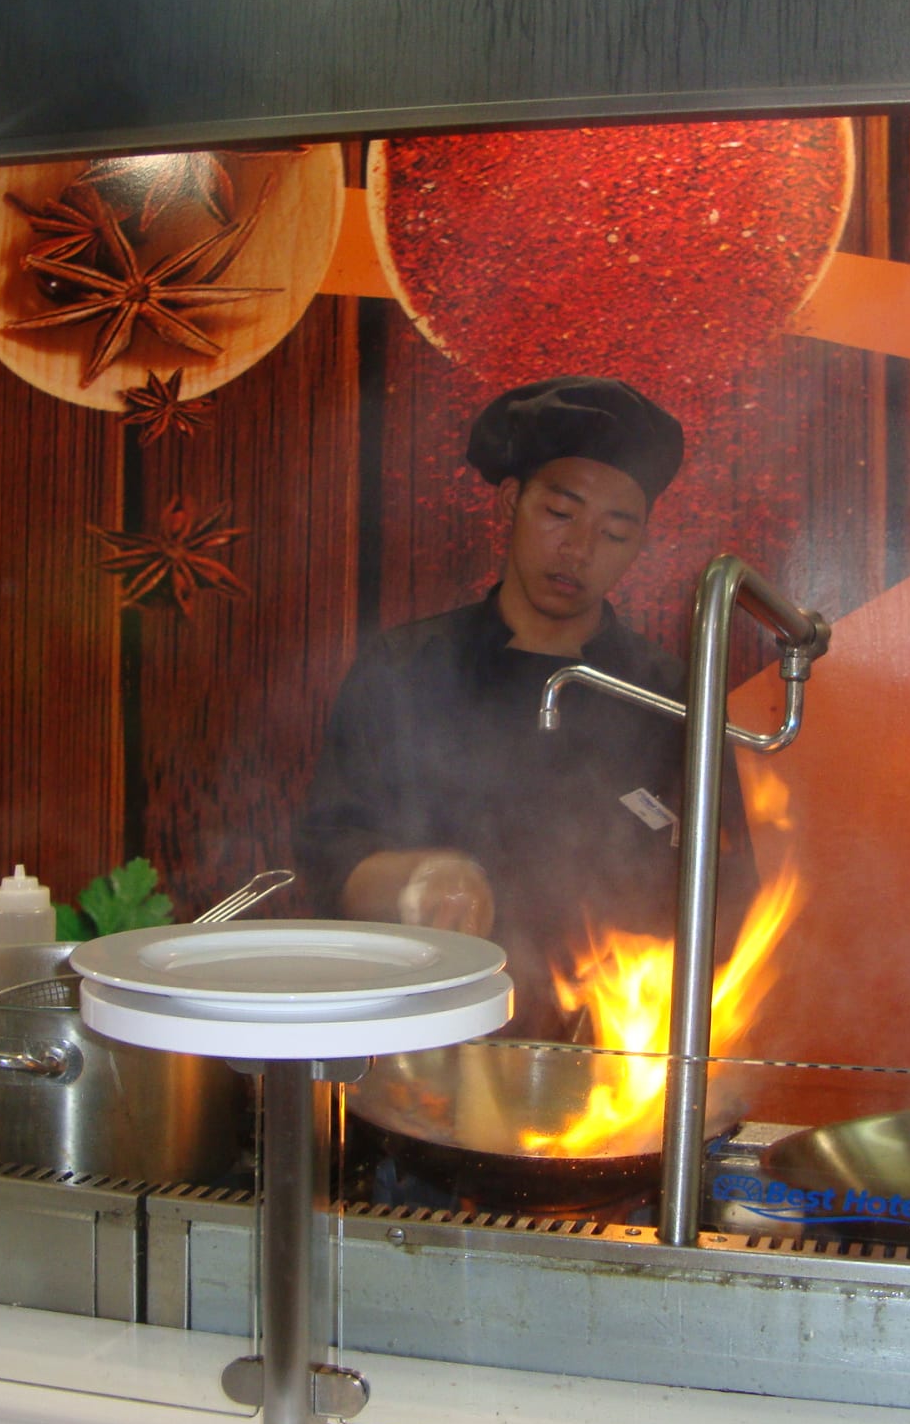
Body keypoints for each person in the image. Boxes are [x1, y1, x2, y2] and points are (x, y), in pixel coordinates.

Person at [294, 375, 756, 1041]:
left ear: (640, 544)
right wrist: (414, 879)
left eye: (614, 533)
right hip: (424, 1037)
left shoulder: (670, 696)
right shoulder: (405, 668)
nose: (579, 550)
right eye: (560, 513)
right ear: (512, 501)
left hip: (613, 1057)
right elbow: (328, 856)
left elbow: (729, 889)